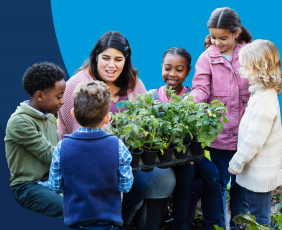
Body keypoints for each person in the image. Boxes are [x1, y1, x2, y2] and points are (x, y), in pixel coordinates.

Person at [57, 31, 176, 230]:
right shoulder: (77, 86)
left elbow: (144, 127)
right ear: (96, 57)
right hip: (90, 160)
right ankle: (119, 224)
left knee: (165, 178)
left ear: (126, 60)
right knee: (139, 185)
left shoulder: (134, 84)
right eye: (106, 58)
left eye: (118, 59)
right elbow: (81, 137)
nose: (112, 65)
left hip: (126, 158)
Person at [190, 7, 253, 229]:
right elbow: (199, 89)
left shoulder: (250, 55)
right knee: (218, 184)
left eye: (223, 38)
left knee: (242, 185)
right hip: (219, 136)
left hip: (246, 136)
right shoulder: (207, 58)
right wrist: (193, 105)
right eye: (214, 37)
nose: (217, 42)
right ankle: (216, 225)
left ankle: (238, 225)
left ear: (237, 33)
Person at [147, 47, 222, 230]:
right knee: (186, 172)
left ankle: (214, 224)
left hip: (190, 153)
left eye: (179, 70)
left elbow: (199, 133)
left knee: (212, 173)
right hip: (164, 155)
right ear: (161, 68)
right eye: (167, 68)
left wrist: (191, 158)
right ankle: (179, 225)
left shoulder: (193, 97)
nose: (172, 74)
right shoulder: (151, 97)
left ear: (188, 72)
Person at [48, 81, 133, 230]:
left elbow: (55, 186)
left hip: (76, 221)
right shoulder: (117, 145)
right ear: (107, 118)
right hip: (109, 223)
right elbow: (125, 185)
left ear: (73, 113)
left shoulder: (62, 147)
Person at [228, 40, 282, 229]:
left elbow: (255, 137)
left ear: (263, 67)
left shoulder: (265, 99)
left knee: (260, 217)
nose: (241, 71)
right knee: (247, 209)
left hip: (259, 173)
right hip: (253, 170)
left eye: (245, 66)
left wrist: (237, 160)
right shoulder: (260, 93)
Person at [4, 62, 66, 219]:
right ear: (40, 96)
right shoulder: (20, 122)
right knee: (72, 209)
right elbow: (51, 155)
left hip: (52, 180)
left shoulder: (50, 115)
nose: (63, 101)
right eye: (59, 96)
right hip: (28, 187)